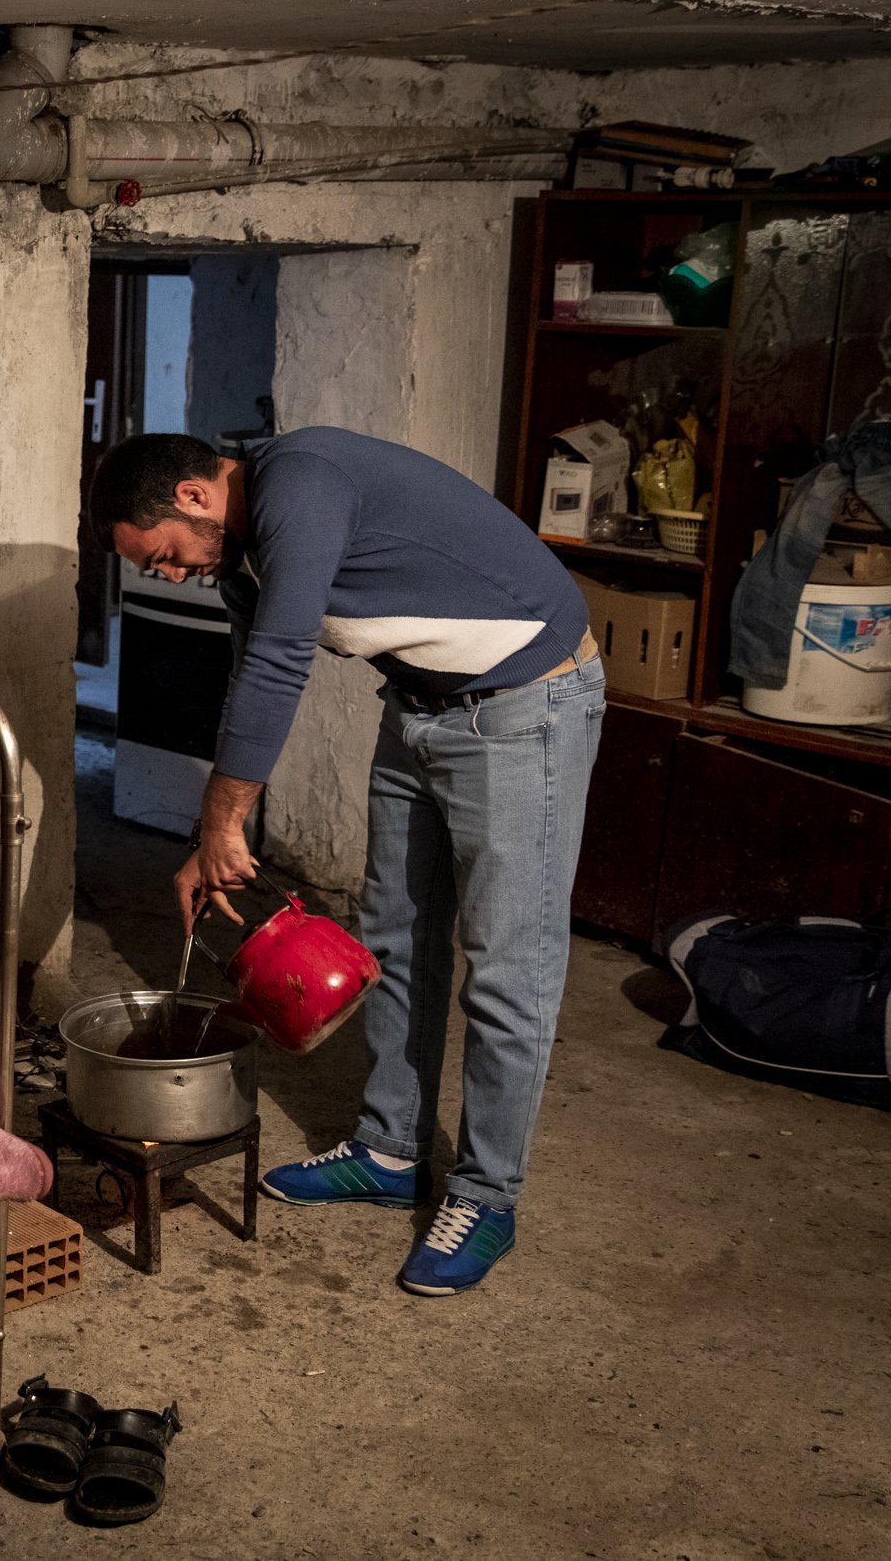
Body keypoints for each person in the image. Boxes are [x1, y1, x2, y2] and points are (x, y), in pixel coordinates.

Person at [90, 429, 603, 1296]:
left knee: (509, 971)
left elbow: (289, 656)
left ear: (192, 497)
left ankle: (486, 1194)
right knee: (394, 942)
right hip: (420, 709)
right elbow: (251, 674)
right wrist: (207, 838)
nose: (171, 575)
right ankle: (391, 1147)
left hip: (525, 708)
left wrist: (226, 817)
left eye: (164, 558)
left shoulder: (301, 484)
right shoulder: (240, 555)